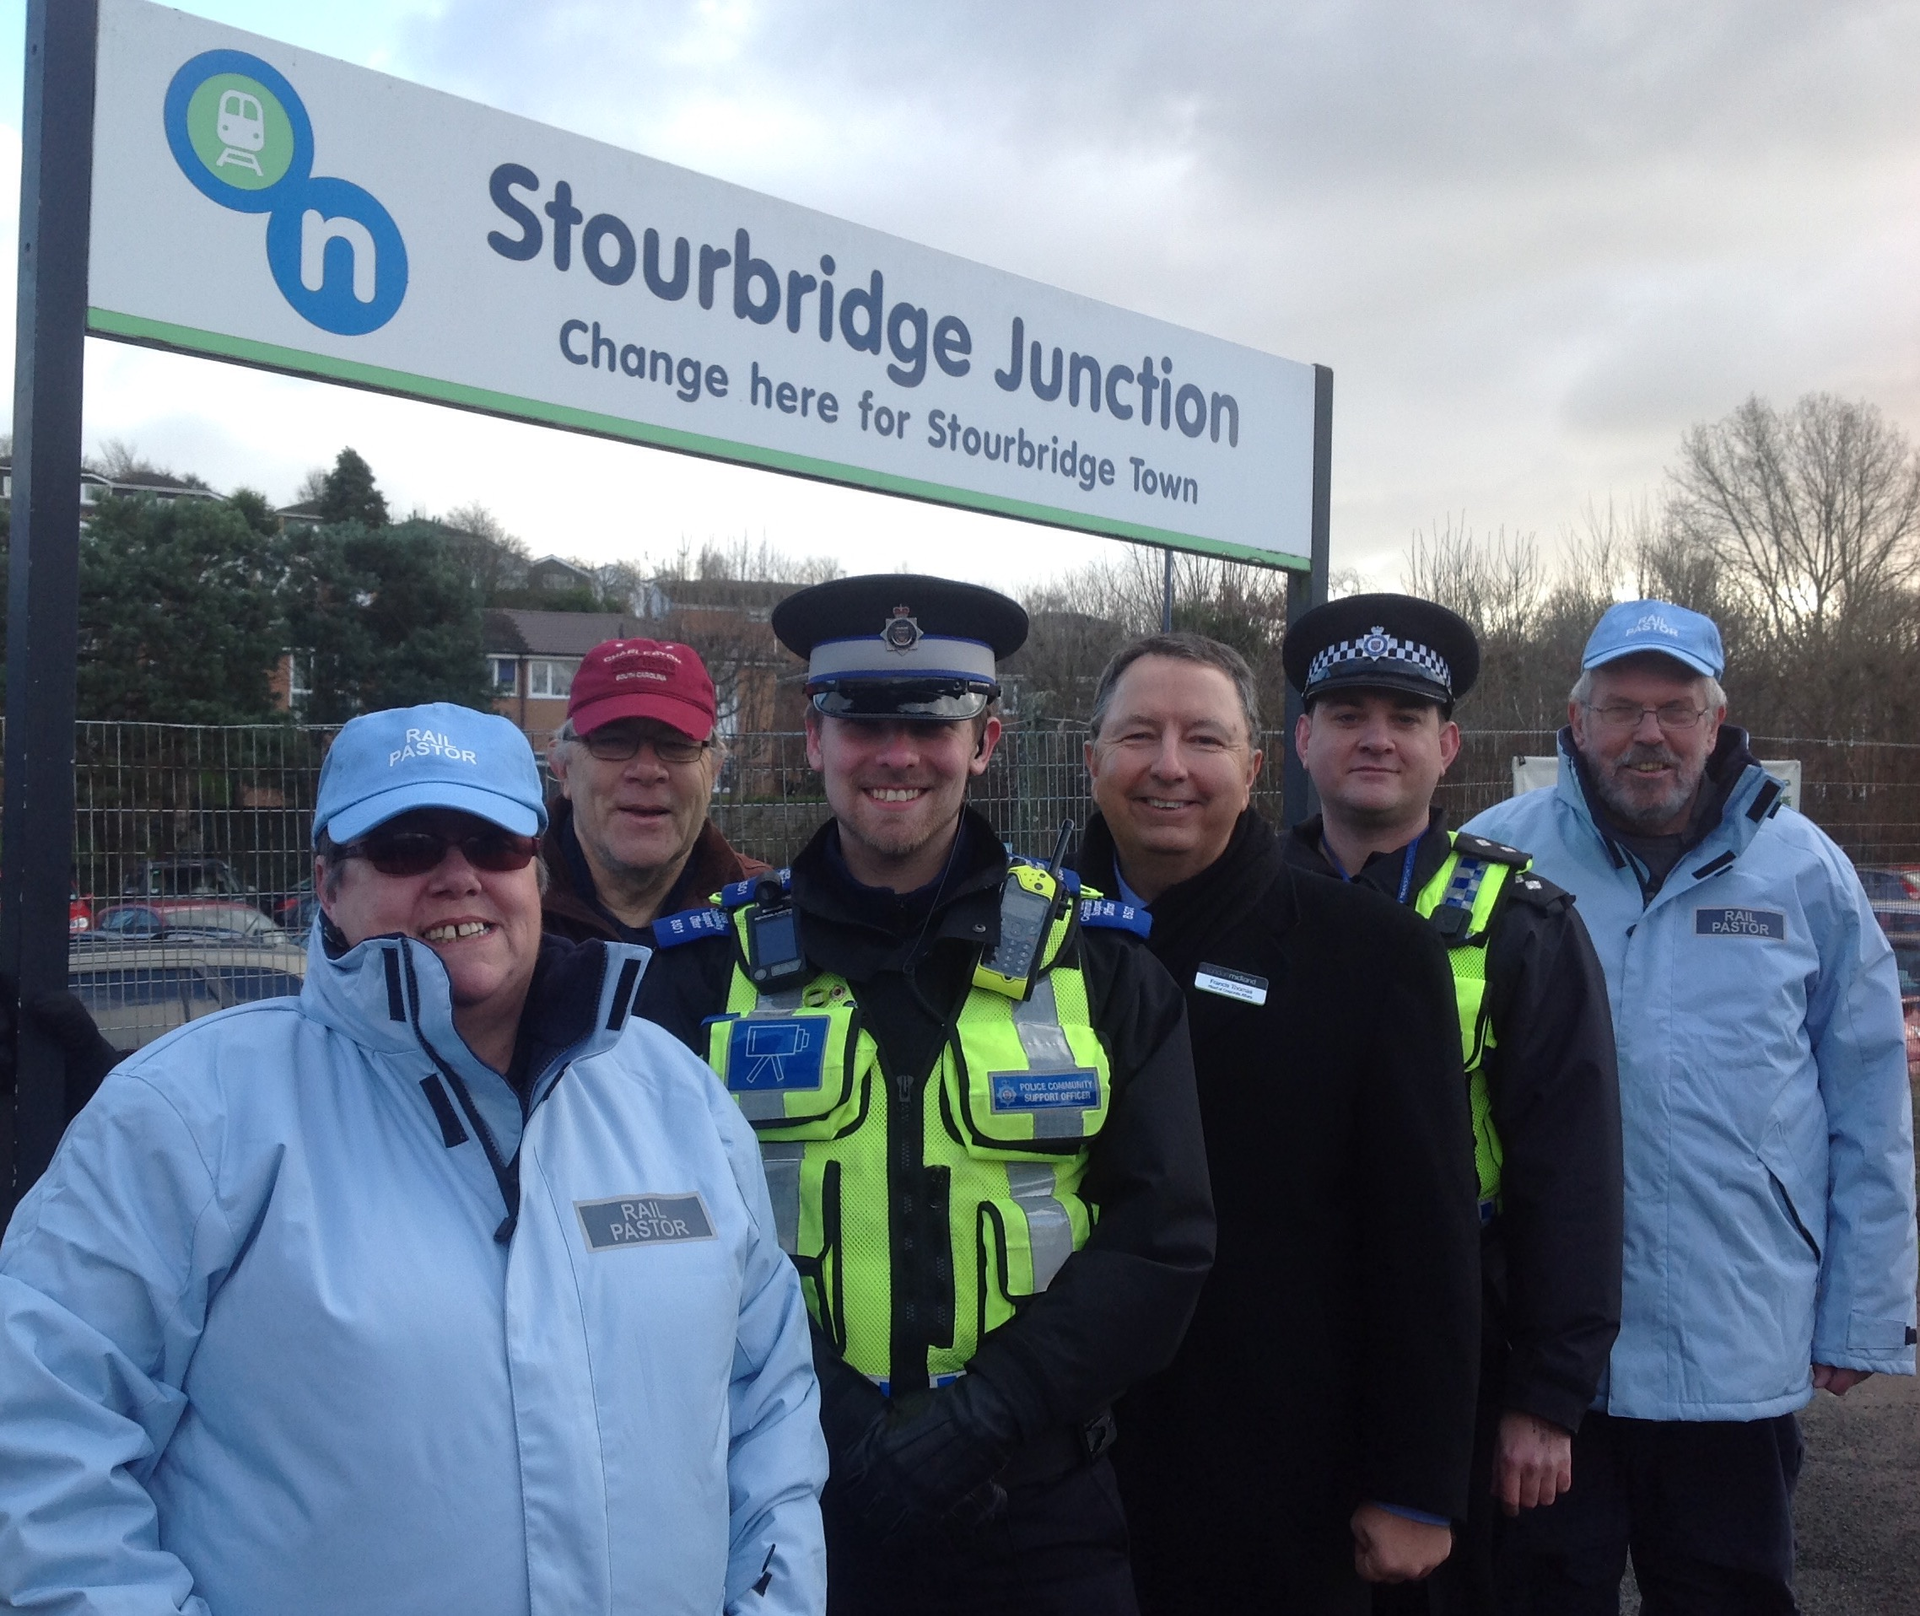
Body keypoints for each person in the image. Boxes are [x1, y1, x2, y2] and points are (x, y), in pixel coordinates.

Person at [0, 702, 827, 1615]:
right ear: (327, 883)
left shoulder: (678, 1101)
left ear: (536, 866)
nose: (457, 875)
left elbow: (769, 1410)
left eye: (493, 841)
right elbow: (39, 1447)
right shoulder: (186, 1118)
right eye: (406, 844)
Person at [636, 575, 1215, 1616]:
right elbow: (668, 1233)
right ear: (813, 739)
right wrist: (845, 1428)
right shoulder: (694, 975)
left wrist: (987, 1413)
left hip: (1036, 1511)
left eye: (933, 721)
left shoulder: (1103, 965)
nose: (897, 753)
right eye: (862, 720)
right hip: (785, 1503)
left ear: (984, 741)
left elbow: (1163, 1232)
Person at [1465, 600, 1917, 1614]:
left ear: (1717, 722)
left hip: (1734, 1343)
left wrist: (1867, 1309)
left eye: (1676, 708)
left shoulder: (1807, 872)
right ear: (1576, 721)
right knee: (1537, 1592)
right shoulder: (1493, 857)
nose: (1650, 733)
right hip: (1543, 1362)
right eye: (1623, 707)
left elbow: (1869, 1101)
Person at [1079, 631, 1483, 1615]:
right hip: (1057, 1473)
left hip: (1281, 1485)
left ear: (1255, 765)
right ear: (1092, 759)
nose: (1170, 765)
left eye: (1204, 738)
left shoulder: (1371, 953)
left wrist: (1415, 1482)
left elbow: (1425, 1237)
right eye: (1140, 734)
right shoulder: (1018, 940)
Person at [1280, 595, 1624, 1615]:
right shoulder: (1243, 903)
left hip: (1461, 1348)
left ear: (1449, 744)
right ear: (1303, 738)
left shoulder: (1524, 926)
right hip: (1280, 1332)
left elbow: (1573, 1176)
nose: (1375, 737)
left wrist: (1548, 1397)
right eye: (1346, 713)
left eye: (1404, 715)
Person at [542, 635, 769, 942]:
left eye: (676, 744)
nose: (647, 770)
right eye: (614, 741)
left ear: (713, 772)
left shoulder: (767, 912)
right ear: (563, 768)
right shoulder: (502, 911)